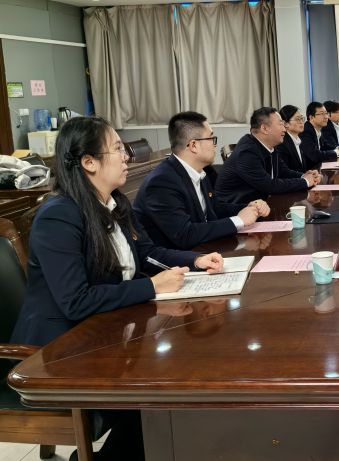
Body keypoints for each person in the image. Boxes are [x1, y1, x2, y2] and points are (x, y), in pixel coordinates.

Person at [10, 116, 223, 461]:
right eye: (118, 149)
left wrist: (195, 260)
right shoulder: (58, 217)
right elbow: (76, 301)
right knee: (160, 389)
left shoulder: (114, 203)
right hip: (57, 351)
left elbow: (147, 252)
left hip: (105, 331)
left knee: (179, 370)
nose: (127, 157)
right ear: (88, 162)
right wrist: (150, 287)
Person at [134, 111, 270, 250]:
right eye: (211, 138)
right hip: (176, 259)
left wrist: (251, 208)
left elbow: (215, 209)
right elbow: (185, 235)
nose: (215, 144)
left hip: (203, 250)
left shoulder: (201, 171)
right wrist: (239, 220)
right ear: (193, 145)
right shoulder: (162, 183)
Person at [215, 107, 319, 204]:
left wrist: (304, 176)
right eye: (280, 124)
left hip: (262, 203)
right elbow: (269, 185)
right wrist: (305, 182)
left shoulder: (269, 146)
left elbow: (283, 171)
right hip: (238, 208)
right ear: (264, 128)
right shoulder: (247, 152)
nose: (284, 129)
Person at [300, 101, 339, 170]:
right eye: (322, 114)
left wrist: (338, 148)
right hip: (309, 171)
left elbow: (325, 146)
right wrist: (337, 152)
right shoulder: (306, 131)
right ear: (311, 117)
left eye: (326, 113)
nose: (326, 117)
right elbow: (315, 155)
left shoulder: (318, 129)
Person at [276, 105, 313, 172]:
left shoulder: (298, 140)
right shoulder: (282, 143)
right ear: (286, 124)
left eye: (302, 118)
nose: (301, 122)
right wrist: (304, 176)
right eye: (297, 119)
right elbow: (284, 172)